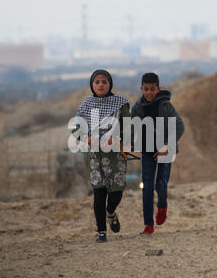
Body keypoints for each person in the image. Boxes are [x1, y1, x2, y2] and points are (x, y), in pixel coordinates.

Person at [72, 70, 130, 242]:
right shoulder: (85, 105)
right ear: (92, 85)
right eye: (97, 82)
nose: (101, 85)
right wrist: (88, 138)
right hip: (94, 155)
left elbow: (128, 126)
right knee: (99, 191)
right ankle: (101, 232)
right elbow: (76, 128)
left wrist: (115, 138)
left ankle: (111, 212)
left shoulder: (120, 103)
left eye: (104, 81)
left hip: (116, 154)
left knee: (116, 191)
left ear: (110, 83)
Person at [131, 72, 185, 235]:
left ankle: (162, 206)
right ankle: (148, 225)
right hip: (147, 152)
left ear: (158, 88)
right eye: (146, 89)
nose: (149, 92)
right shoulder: (137, 107)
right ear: (141, 88)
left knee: (160, 184)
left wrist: (168, 146)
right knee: (147, 187)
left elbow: (180, 126)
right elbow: (131, 129)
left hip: (165, 151)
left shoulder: (165, 106)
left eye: (152, 89)